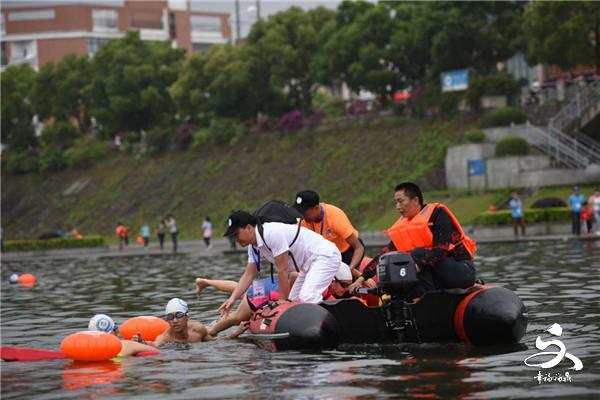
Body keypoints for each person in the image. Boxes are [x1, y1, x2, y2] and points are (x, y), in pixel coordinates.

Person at [210, 211, 342, 336]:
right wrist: (232, 299)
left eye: (236, 234)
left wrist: (282, 301)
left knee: (307, 296)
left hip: (325, 256)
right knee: (295, 301)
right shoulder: (254, 247)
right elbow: (249, 275)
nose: (235, 240)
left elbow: (282, 269)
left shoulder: (271, 233)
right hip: (308, 265)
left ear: (249, 228)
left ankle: (326, 329)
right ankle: (303, 331)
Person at [349, 182, 476, 297]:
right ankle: (418, 301)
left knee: (415, 255)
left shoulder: (438, 215)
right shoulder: (405, 227)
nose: (397, 206)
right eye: (396, 202)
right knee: (394, 260)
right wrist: (362, 278)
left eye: (401, 201)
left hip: (461, 271)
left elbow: (440, 251)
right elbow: (384, 254)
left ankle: (431, 301)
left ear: (415, 200)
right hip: (435, 276)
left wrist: (413, 268)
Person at [200, 261, 354, 337]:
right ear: (332, 280)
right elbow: (293, 276)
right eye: (344, 285)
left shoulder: (328, 286)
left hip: (272, 285)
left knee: (241, 289)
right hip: (267, 292)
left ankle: (206, 282)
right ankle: (211, 332)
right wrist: (286, 300)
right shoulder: (322, 284)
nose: (345, 289)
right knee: (237, 317)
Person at [293, 190, 365, 279]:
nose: (302, 216)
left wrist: (349, 269)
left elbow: (359, 248)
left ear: (316, 208)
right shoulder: (302, 222)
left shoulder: (335, 216)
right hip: (328, 255)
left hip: (348, 252)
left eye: (305, 213)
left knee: (345, 281)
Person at [133, 298, 247, 346]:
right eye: (170, 317)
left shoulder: (197, 330)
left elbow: (215, 342)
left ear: (187, 317)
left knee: (212, 331)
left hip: (203, 332)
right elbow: (154, 344)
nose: (175, 321)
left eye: (179, 315)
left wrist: (235, 334)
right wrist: (142, 343)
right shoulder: (166, 338)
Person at [88, 314, 158, 357]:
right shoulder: (126, 345)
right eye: (116, 328)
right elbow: (157, 352)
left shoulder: (87, 351)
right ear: (113, 331)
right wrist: (140, 344)